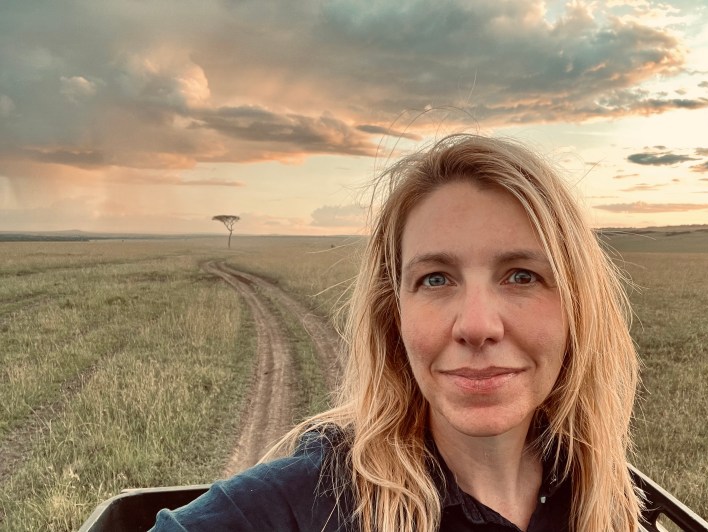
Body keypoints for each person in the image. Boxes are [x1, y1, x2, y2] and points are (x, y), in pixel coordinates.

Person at [151, 134, 641, 531]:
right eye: (436, 279)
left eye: (521, 276)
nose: (476, 326)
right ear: (394, 314)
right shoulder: (310, 504)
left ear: (578, 306)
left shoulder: (602, 494)